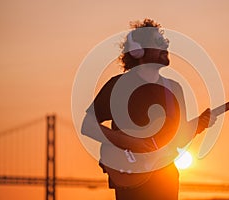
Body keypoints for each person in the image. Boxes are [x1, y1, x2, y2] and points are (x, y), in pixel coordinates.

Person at [81, 18, 216, 200]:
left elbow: (176, 139)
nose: (165, 46)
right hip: (130, 175)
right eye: (158, 42)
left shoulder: (174, 89)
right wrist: (128, 141)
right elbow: (87, 125)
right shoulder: (118, 86)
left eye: (165, 41)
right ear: (137, 51)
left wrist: (199, 126)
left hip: (166, 178)